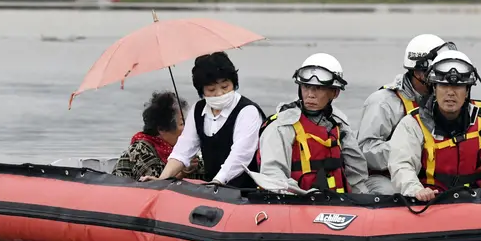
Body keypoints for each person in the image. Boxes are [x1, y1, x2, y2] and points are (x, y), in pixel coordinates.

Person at [387, 50, 481, 202]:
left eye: (457, 87)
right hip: (434, 203)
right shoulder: (413, 123)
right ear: (434, 88)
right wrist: (415, 189)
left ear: (467, 90)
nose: (450, 93)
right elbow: (401, 164)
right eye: (443, 86)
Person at [140, 52, 265, 188]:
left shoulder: (248, 111)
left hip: (247, 191)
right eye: (211, 89)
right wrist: (162, 179)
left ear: (234, 84)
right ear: (202, 91)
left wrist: (217, 181)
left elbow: (240, 156)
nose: (219, 94)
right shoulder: (198, 110)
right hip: (214, 189)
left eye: (225, 87)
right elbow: (184, 149)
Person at [257, 53, 369, 194]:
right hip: (296, 205)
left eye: (319, 88)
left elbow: (357, 177)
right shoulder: (281, 127)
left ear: (335, 93)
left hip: (339, 205)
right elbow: (273, 176)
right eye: (306, 87)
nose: (310, 94)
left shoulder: (340, 126)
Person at [357, 34, 456, 194]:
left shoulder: (444, 100)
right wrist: (410, 148)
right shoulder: (384, 102)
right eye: (437, 72)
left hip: (424, 174)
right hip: (383, 177)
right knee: (392, 193)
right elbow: (364, 151)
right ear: (420, 72)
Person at [112, 91, 205, 181]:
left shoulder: (182, 149)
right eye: (182, 124)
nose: (188, 129)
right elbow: (156, 186)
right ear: (162, 129)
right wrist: (183, 172)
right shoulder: (140, 151)